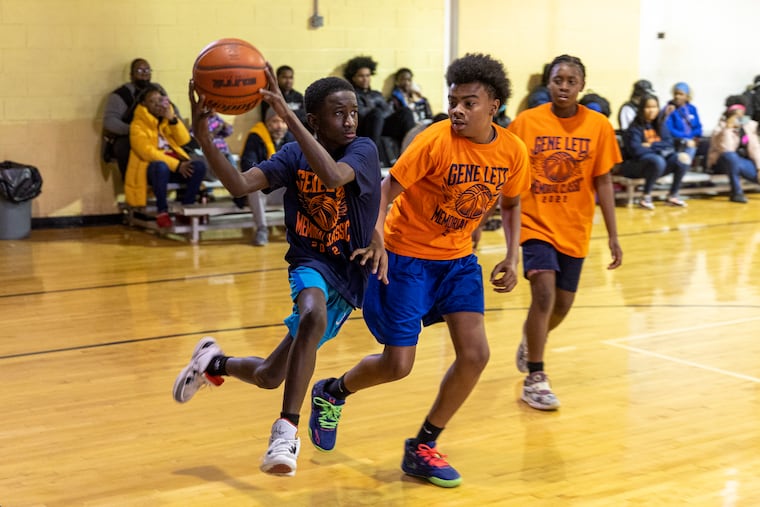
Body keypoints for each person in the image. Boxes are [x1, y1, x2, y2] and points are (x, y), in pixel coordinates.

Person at [308, 53, 531, 488]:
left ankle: (423, 445)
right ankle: (333, 392)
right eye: (453, 101)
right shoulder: (434, 140)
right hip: (406, 256)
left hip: (458, 261)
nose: (457, 110)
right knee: (398, 365)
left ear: (495, 106)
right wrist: (377, 241)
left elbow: (513, 201)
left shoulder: (513, 150)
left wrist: (512, 253)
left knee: (476, 355)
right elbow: (384, 190)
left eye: (469, 102)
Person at [174, 71, 382, 477]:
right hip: (310, 262)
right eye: (338, 113)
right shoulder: (291, 156)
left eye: (353, 111)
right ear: (315, 119)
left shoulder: (363, 149)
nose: (350, 121)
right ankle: (286, 430)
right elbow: (237, 184)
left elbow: (335, 177)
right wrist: (204, 137)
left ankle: (214, 363)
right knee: (312, 313)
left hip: (349, 276)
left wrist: (286, 114)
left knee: (270, 376)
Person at [508, 54, 623, 411]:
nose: (564, 86)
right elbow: (506, 173)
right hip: (536, 223)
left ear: (581, 86)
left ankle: (532, 341)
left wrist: (614, 235)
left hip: (574, 227)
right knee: (543, 295)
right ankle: (536, 377)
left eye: (571, 81)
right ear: (549, 83)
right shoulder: (526, 123)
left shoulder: (599, 125)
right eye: (558, 79)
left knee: (563, 304)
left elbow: (603, 181)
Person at [123, 85, 206, 229]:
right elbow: (147, 152)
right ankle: (162, 211)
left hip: (175, 167)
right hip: (150, 170)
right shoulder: (137, 125)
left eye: (159, 100)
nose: (157, 104)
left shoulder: (167, 119)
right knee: (160, 166)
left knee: (199, 167)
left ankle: (186, 207)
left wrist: (173, 119)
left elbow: (184, 140)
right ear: (143, 104)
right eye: (152, 101)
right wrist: (177, 165)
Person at [102, 58, 168, 179]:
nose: (144, 73)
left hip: (159, 133)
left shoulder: (158, 90)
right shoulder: (121, 94)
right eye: (140, 70)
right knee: (124, 146)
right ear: (131, 75)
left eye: (147, 70)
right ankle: (133, 181)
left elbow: (172, 111)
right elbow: (109, 121)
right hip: (131, 135)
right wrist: (134, 130)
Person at [621, 93, 689, 209]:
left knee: (682, 158)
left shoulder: (660, 125)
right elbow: (636, 150)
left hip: (657, 164)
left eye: (654, 107)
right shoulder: (634, 128)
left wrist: (651, 145)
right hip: (636, 166)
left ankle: (673, 195)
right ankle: (645, 197)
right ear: (641, 109)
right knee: (657, 160)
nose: (651, 111)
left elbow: (669, 144)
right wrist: (658, 148)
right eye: (648, 107)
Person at [239, 107, 295, 245]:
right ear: (267, 123)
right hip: (262, 192)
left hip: (280, 190)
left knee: (300, 183)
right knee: (255, 186)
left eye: (283, 122)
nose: (279, 126)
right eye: (275, 121)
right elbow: (248, 163)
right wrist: (270, 174)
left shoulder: (291, 138)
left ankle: (296, 229)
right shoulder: (256, 136)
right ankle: (262, 229)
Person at [706, 96, 760, 203]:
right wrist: (728, 128)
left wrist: (759, 168)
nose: (739, 116)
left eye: (741, 112)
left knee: (753, 171)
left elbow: (755, 148)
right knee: (731, 157)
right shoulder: (720, 127)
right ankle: (736, 193)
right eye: (735, 113)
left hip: (742, 162)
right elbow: (727, 149)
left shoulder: (750, 126)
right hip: (722, 162)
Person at [343, 56, 392, 161]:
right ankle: (372, 155)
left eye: (368, 75)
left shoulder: (376, 94)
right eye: (361, 76)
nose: (365, 79)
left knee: (405, 113)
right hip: (363, 126)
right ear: (353, 78)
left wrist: (379, 115)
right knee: (377, 113)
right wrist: (377, 112)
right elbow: (361, 113)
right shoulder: (351, 94)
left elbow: (389, 111)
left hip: (381, 124)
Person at [384, 67, 434, 145]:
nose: (407, 82)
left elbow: (430, 116)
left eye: (409, 80)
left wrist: (421, 99)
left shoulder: (419, 98)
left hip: (422, 126)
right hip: (409, 130)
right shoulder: (393, 100)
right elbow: (397, 119)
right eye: (403, 79)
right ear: (397, 82)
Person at [662, 82, 702, 165]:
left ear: (687, 96)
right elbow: (668, 128)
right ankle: (683, 167)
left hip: (691, 139)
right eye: (676, 94)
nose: (677, 96)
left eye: (681, 94)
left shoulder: (692, 109)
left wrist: (694, 136)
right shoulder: (669, 108)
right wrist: (686, 138)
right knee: (689, 145)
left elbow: (698, 126)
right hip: (677, 140)